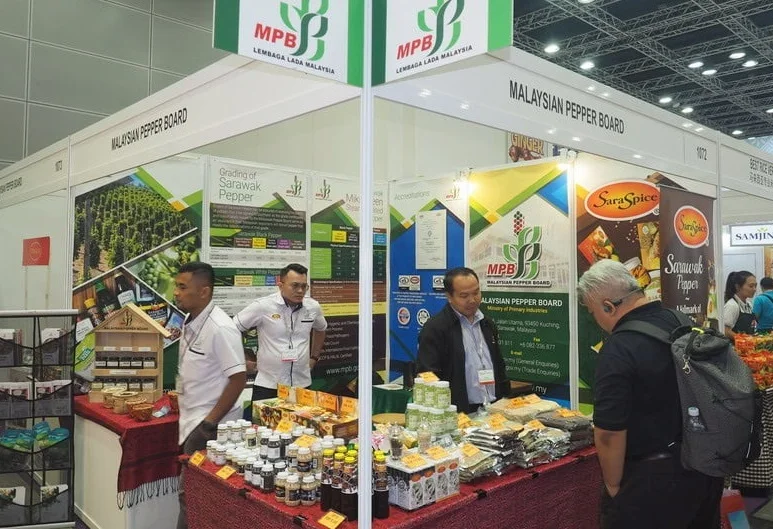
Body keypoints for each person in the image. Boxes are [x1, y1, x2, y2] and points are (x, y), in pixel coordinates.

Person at [578, 259, 723, 529]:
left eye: (592, 311)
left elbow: (609, 433)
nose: (595, 319)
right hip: (704, 468)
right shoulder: (681, 320)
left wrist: (613, 486)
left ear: (608, 306)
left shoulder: (618, 348)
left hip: (653, 482)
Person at [174, 262, 246, 529]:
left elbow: (238, 379)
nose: (176, 292)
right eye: (177, 286)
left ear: (204, 291)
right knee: (193, 495)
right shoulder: (190, 319)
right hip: (192, 420)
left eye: (183, 287)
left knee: (193, 496)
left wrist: (208, 424)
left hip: (208, 427)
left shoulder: (220, 327)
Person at [417, 267, 508, 413]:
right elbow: (427, 374)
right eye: (464, 295)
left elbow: (499, 365)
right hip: (459, 412)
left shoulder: (487, 324)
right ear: (449, 296)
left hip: (493, 408)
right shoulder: (436, 328)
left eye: (476, 293)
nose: (472, 300)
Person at [233, 263, 327, 401]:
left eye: (304, 286)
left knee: (303, 416)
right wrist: (240, 360)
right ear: (280, 285)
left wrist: (314, 357)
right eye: (295, 285)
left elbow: (321, 328)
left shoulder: (312, 307)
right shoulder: (263, 306)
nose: (300, 290)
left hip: (302, 383)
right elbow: (232, 329)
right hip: (269, 385)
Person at [723, 270, 757, 338]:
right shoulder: (732, 305)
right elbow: (726, 331)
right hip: (733, 344)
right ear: (737, 287)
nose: (754, 289)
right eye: (751, 286)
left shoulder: (749, 304)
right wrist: (744, 339)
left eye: (755, 286)